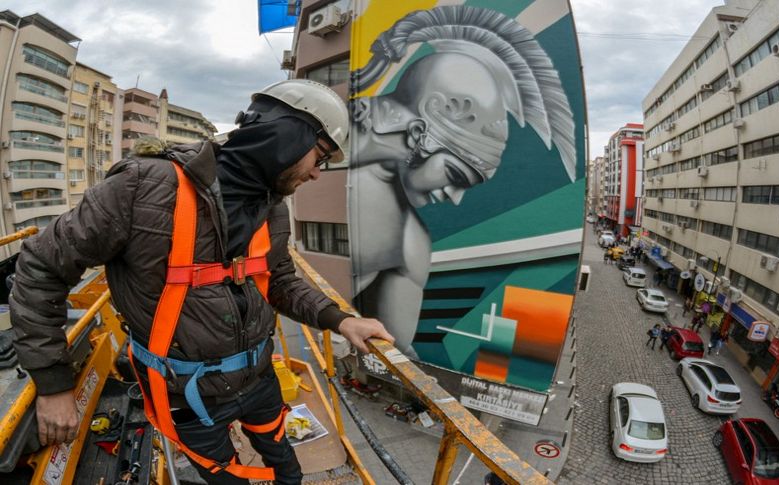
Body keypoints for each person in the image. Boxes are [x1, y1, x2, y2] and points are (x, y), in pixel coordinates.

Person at [9, 79, 395, 485]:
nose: (318, 173)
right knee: (226, 477)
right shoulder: (143, 188)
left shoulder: (271, 209)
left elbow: (278, 281)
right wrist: (54, 385)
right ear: (286, 136)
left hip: (260, 377)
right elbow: (40, 267)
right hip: (187, 396)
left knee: (286, 468)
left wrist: (341, 320)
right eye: (321, 156)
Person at [348, 5, 577, 355]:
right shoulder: (324, 136)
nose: (456, 198)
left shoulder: (410, 245)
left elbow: (396, 354)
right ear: (422, 130)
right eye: (456, 175)